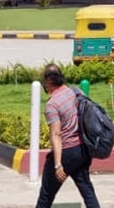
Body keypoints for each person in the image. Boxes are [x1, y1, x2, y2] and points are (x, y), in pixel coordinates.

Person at [34, 64, 99, 208]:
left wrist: (58, 164)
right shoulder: (73, 92)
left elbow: (56, 135)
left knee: (46, 195)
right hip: (82, 150)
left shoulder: (52, 105)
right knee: (88, 191)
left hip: (66, 153)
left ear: (48, 82)